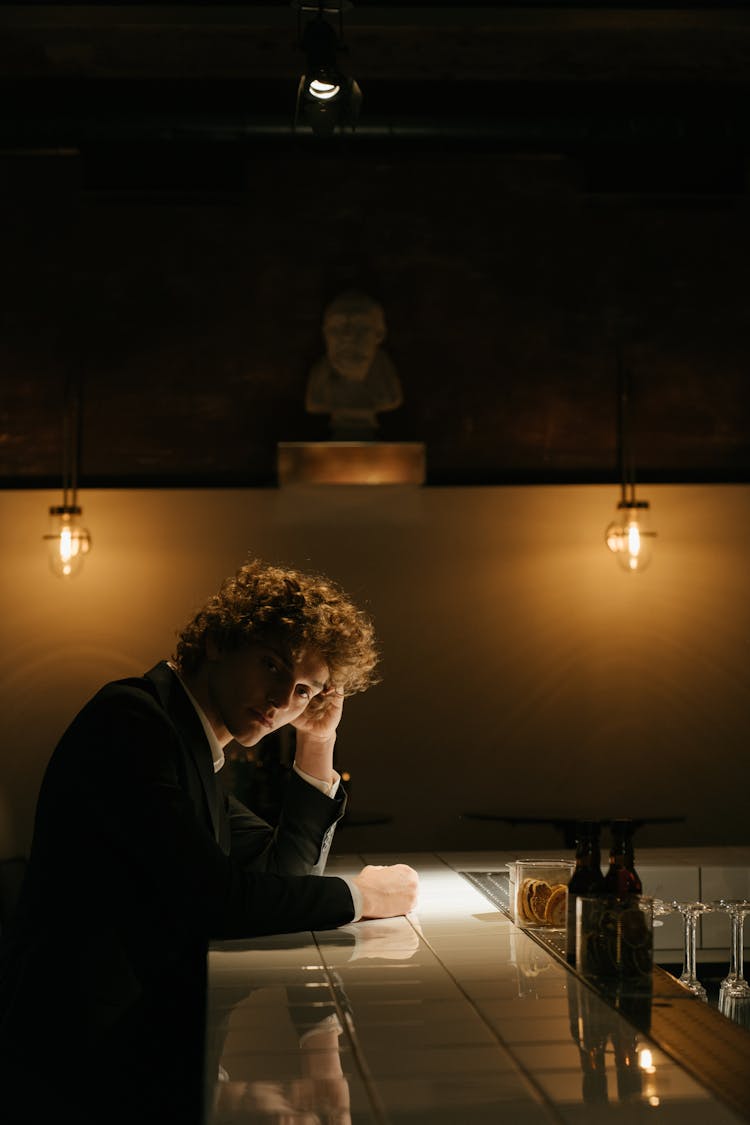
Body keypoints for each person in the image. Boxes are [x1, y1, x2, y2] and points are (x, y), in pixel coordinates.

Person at [0, 559, 418, 1124]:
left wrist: (317, 743)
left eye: (303, 690)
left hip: (125, 1058)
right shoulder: (133, 723)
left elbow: (278, 880)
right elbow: (215, 902)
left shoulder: (186, 745)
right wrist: (363, 898)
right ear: (221, 641)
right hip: (79, 1070)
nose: (280, 698)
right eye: (272, 665)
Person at [305, 289, 403, 440]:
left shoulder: (389, 387)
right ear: (325, 335)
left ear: (379, 334)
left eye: (360, 327)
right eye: (337, 328)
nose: (347, 337)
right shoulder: (318, 383)